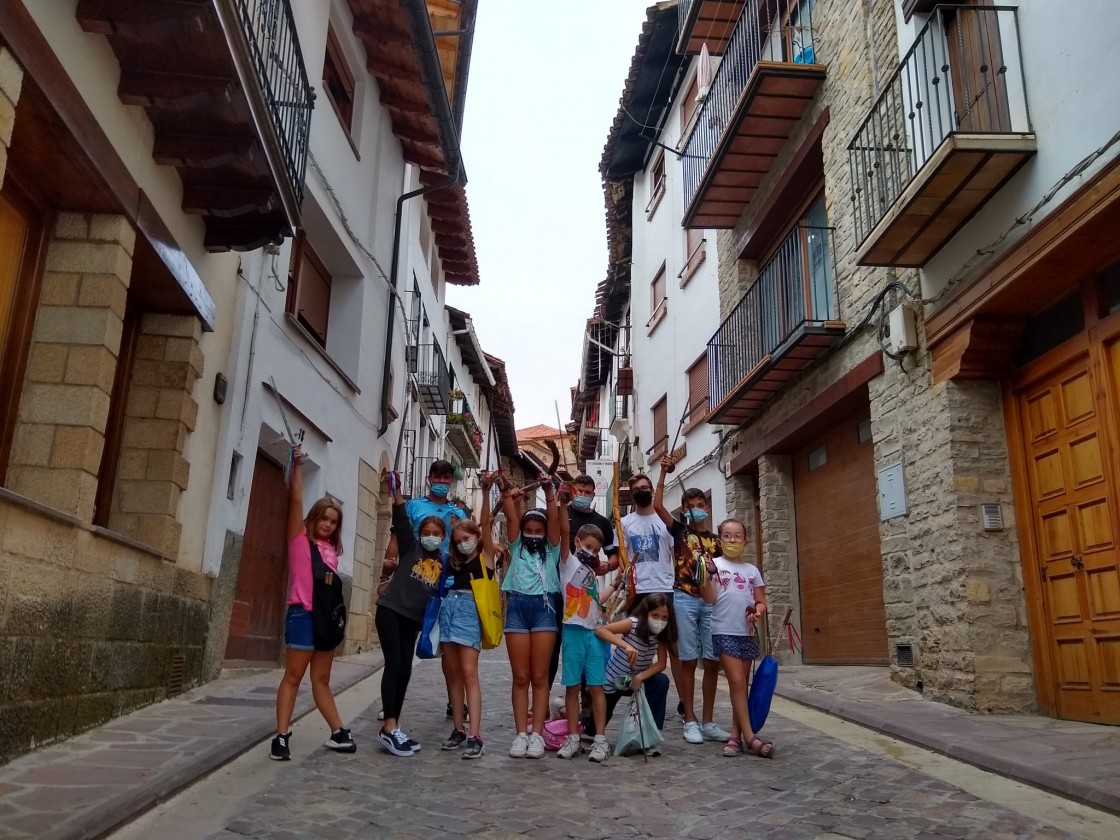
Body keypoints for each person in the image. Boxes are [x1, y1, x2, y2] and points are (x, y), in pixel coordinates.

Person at [271, 446, 355, 760]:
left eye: (334, 521)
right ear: (313, 517)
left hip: (325, 621)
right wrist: (295, 468)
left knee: (321, 679)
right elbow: (295, 501)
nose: (328, 524)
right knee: (293, 676)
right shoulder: (299, 539)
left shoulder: (333, 552)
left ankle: (337, 731)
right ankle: (281, 736)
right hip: (302, 616)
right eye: (324, 518)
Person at [381, 460, 469, 722]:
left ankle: (455, 702)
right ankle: (390, 705)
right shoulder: (414, 506)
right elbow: (399, 537)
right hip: (414, 579)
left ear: (451, 481)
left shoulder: (459, 514)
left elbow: (466, 547)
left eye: (446, 478)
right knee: (398, 656)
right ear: (430, 478)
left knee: (450, 646)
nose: (442, 482)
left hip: (448, 583)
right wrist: (387, 567)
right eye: (438, 477)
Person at [655, 456, 731, 746]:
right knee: (687, 660)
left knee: (712, 662)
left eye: (701, 506)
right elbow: (659, 505)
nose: (697, 510)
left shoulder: (717, 541)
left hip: (712, 603)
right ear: (684, 511)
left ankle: (708, 721)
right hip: (684, 599)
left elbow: (726, 574)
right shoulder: (679, 532)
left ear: (707, 508)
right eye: (691, 507)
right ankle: (690, 720)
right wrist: (662, 472)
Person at [373, 473, 447, 757]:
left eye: (435, 534)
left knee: (405, 669)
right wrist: (398, 492)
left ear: (443, 538)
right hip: (391, 611)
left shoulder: (443, 562)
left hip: (413, 620)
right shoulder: (411, 548)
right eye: (426, 532)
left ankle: (394, 726)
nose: (430, 537)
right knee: (394, 665)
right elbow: (402, 520)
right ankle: (389, 728)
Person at [500, 473, 563, 759]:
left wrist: (549, 491)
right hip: (517, 609)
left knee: (540, 676)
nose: (534, 535)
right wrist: (504, 491)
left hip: (544, 610)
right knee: (520, 676)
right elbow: (512, 519)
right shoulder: (516, 547)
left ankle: (537, 734)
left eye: (539, 530)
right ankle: (520, 734)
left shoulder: (551, 549)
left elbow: (553, 522)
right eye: (530, 530)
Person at [702, 518, 773, 758]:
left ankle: (735, 736)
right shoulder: (714, 565)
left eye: (737, 536)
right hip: (723, 630)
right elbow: (709, 598)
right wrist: (706, 575)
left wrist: (758, 613)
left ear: (745, 540)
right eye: (727, 536)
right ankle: (751, 737)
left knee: (741, 687)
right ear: (719, 540)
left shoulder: (752, 571)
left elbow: (761, 602)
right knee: (737, 683)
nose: (732, 540)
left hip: (747, 633)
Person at [438, 497, 498, 760]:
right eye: (458, 539)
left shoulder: (486, 557)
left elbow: (486, 522)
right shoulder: (453, 561)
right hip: (449, 610)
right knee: (452, 674)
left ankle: (475, 735)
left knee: (468, 673)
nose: (463, 543)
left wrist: (485, 493)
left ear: (476, 536)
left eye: (466, 538)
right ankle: (458, 729)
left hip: (469, 612)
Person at [548, 475, 620, 689]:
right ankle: (545, 700)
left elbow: (614, 557)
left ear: (593, 493)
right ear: (572, 492)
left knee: (587, 646)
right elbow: (559, 534)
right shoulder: (564, 514)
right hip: (559, 589)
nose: (583, 496)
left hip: (587, 592)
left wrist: (606, 567)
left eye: (588, 492)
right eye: (579, 491)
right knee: (554, 646)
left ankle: (586, 699)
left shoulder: (602, 523)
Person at [555, 523, 611, 763]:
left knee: (597, 687)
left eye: (596, 549)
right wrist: (563, 504)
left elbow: (595, 600)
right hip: (572, 631)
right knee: (572, 687)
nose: (592, 552)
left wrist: (615, 585)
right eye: (588, 546)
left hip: (595, 632)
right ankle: (573, 738)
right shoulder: (568, 562)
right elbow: (563, 530)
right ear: (577, 542)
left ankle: (600, 740)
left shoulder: (590, 571)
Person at [594, 593, 672, 756]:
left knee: (661, 681)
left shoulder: (661, 634)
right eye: (655, 615)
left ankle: (651, 736)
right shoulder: (633, 624)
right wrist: (625, 646)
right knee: (591, 727)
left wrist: (641, 677)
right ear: (646, 613)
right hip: (614, 681)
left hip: (637, 680)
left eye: (664, 617)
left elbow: (661, 663)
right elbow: (601, 630)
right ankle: (564, 711)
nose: (659, 621)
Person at [619, 471, 676, 618]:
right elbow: (623, 557)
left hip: (664, 588)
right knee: (635, 637)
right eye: (636, 490)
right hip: (636, 590)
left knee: (665, 637)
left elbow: (676, 556)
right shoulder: (623, 524)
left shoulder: (668, 521)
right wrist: (627, 584)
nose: (641, 492)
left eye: (644, 488)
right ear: (632, 496)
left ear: (652, 491)